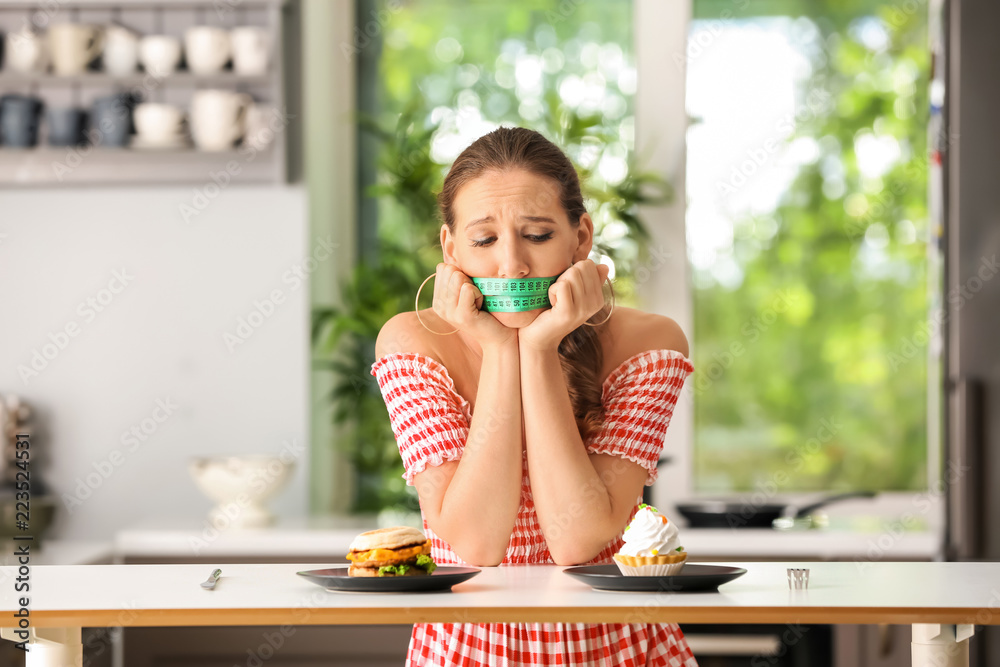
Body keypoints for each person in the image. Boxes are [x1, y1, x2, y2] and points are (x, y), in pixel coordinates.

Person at [370, 126, 698, 666]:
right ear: (451, 250)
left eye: (538, 236)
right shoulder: (412, 342)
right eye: (484, 241)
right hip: (465, 652)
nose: (512, 266)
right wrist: (502, 352)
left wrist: (539, 349)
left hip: (619, 651)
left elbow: (579, 542)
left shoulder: (651, 344)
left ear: (581, 238)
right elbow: (476, 546)